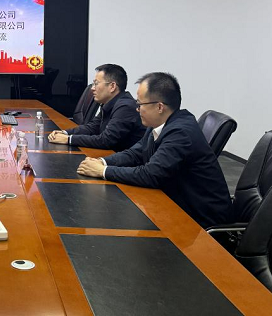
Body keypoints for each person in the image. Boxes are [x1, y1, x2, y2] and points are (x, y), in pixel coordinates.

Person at [76, 72, 231, 228]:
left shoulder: (181, 132)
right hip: (174, 204)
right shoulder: (160, 123)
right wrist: (101, 162)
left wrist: (103, 171)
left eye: (140, 104)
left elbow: (151, 174)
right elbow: (135, 153)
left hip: (199, 220)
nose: (137, 109)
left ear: (159, 107)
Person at [48, 64, 144, 151]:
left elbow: (106, 140)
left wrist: (69, 139)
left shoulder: (125, 107)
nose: (92, 88)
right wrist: (64, 133)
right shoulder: (110, 103)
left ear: (112, 86)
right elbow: (92, 127)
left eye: (96, 83)